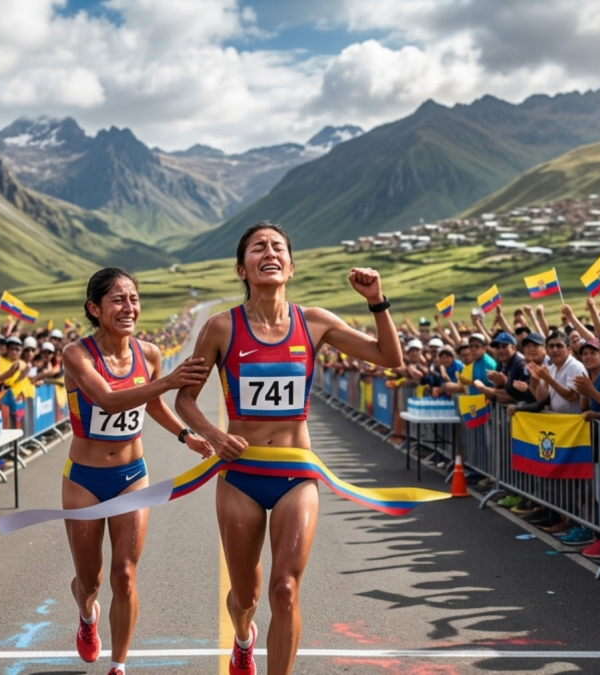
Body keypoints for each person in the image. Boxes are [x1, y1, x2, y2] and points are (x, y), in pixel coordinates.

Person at [175, 223, 402, 675]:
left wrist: (376, 301)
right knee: (246, 595)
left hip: (296, 475)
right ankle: (243, 636)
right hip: (240, 477)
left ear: (291, 267)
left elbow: (388, 358)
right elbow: (184, 399)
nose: (270, 252)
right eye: (258, 247)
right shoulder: (221, 327)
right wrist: (216, 437)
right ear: (243, 268)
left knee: (285, 590)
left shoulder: (314, 322)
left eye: (278, 246)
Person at [62, 268, 212, 675]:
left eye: (133, 298)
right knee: (89, 581)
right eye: (117, 300)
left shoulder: (148, 353)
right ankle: (87, 615)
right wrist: (167, 382)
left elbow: (148, 405)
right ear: (94, 308)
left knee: (124, 574)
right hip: (84, 481)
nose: (129, 307)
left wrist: (186, 435)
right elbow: (109, 400)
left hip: (132, 476)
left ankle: (118, 665)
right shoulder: (76, 355)